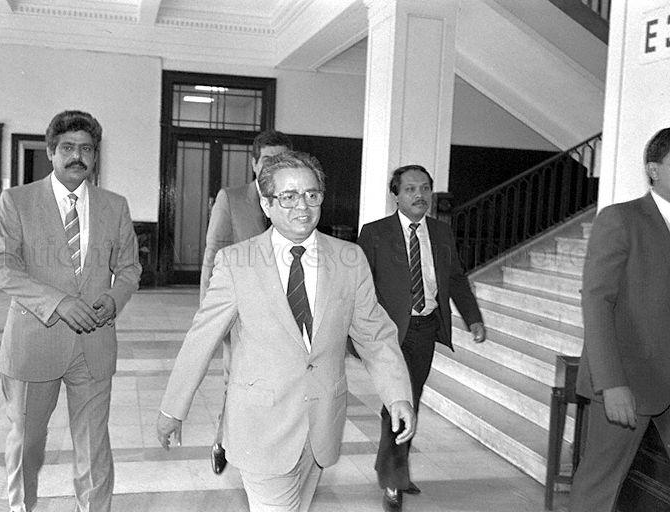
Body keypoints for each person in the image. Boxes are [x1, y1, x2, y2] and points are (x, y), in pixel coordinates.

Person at [157, 151, 416, 512]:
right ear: (266, 203)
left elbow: (375, 334)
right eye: (288, 197)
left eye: (312, 195)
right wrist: (174, 408)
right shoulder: (236, 262)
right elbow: (202, 338)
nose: (302, 207)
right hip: (260, 427)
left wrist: (397, 394)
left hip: (321, 422)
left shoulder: (349, 259)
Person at [0, 110, 142, 512]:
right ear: (51, 153)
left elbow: (129, 268)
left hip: (94, 343)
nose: (78, 156)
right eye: (68, 148)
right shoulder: (17, 201)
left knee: (93, 447)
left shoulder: (114, 206)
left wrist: (114, 298)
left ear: (96, 156)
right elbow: (2, 265)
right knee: (28, 444)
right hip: (34, 342)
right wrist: (57, 303)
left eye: (87, 149)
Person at [356, 165, 485, 512]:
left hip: (425, 327)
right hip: (388, 331)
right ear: (395, 195)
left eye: (425, 188)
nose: (420, 195)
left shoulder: (441, 232)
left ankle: (391, 467)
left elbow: (456, 278)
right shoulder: (375, 233)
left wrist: (473, 318)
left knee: (408, 400)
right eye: (411, 189)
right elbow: (361, 285)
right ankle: (394, 480)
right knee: (398, 399)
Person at [569, 128, 670, 512]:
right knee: (600, 483)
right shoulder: (622, 219)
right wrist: (611, 383)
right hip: (628, 379)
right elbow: (597, 302)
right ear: (653, 169)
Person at [201, 130, 293, 474]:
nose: (274, 166)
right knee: (235, 379)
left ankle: (265, 444)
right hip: (240, 311)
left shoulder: (294, 199)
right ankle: (223, 438)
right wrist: (209, 313)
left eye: (281, 159)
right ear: (254, 163)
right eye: (268, 159)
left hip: (283, 312)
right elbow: (213, 254)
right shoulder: (232, 197)